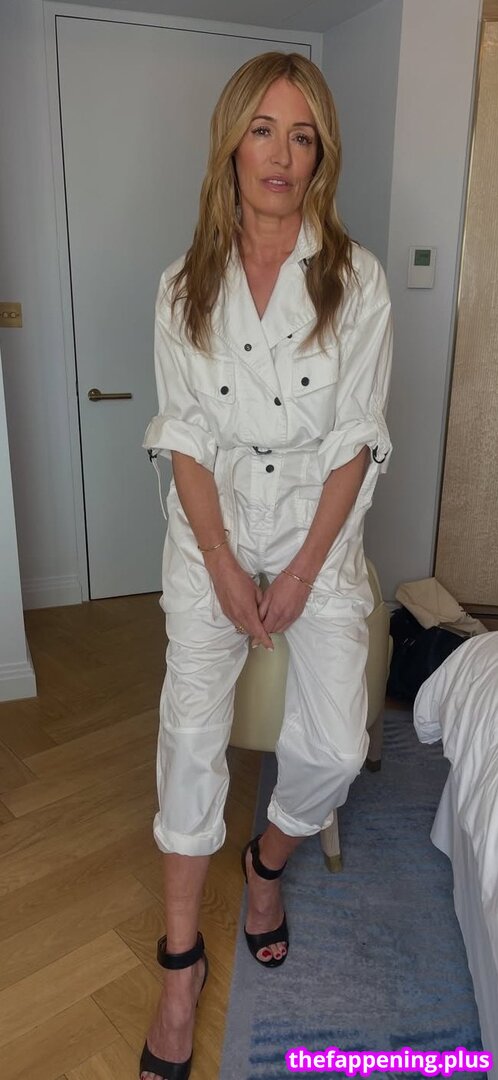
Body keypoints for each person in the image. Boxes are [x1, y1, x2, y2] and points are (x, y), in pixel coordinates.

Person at [141, 50, 393, 1080]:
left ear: (321, 155)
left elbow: (357, 441)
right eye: (262, 130)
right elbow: (185, 440)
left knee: (335, 747)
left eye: (302, 135)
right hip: (210, 530)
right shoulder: (182, 285)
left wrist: (295, 576)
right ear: (231, 144)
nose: (281, 155)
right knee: (190, 737)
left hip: (316, 531)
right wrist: (222, 564)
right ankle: (179, 966)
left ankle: (267, 860)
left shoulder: (356, 279)